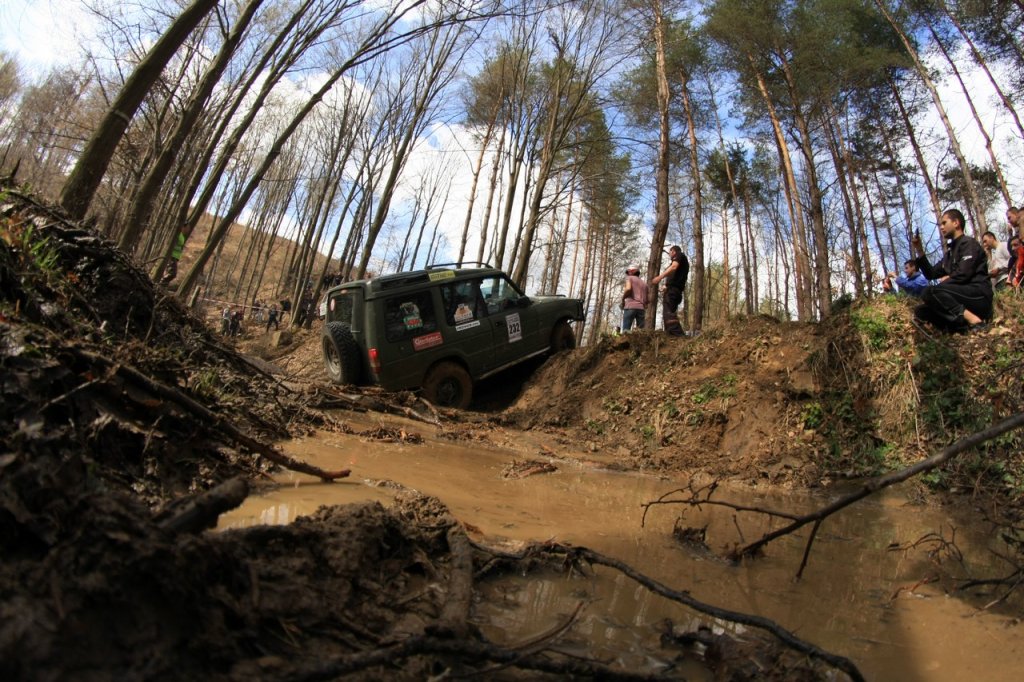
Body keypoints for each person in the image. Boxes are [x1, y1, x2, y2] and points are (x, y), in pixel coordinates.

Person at [911, 208, 992, 333]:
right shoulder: (949, 254)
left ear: (956, 223)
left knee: (930, 291)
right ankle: (961, 328)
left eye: (944, 223)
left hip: (978, 297)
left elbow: (963, 275)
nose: (941, 227)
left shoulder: (969, 244)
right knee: (921, 311)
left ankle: (976, 321)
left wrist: (939, 288)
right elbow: (930, 274)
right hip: (960, 298)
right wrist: (919, 250)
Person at [651, 245, 688, 336]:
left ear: (674, 251)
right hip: (673, 290)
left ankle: (679, 335)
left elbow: (674, 267)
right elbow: (677, 277)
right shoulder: (681, 261)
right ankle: (671, 336)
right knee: (668, 313)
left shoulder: (680, 255)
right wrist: (666, 286)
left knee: (668, 314)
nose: (669, 254)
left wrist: (659, 277)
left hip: (674, 291)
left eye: (670, 252)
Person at [621, 266, 648, 332]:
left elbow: (628, 289)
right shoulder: (644, 284)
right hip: (641, 309)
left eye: (628, 272)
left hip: (630, 306)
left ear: (630, 271)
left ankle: (625, 341)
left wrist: (623, 299)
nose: (627, 274)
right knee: (640, 333)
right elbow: (647, 300)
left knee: (626, 331)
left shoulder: (629, 278)